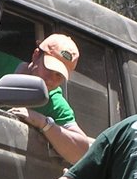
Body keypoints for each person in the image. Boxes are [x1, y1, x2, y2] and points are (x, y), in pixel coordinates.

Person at [8, 34, 91, 164]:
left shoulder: (54, 102)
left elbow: (81, 152)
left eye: (59, 75)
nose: (51, 80)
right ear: (36, 56)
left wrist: (43, 122)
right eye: (49, 68)